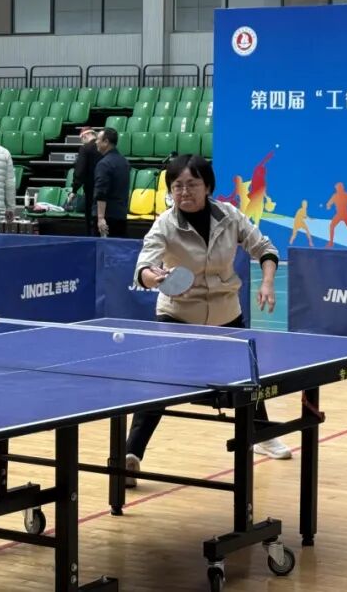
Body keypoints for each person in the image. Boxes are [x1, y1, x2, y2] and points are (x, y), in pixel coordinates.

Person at [128, 154, 289, 476]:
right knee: (160, 382)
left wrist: (267, 283)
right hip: (178, 314)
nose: (184, 192)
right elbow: (143, 267)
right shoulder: (165, 224)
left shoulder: (229, 216)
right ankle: (130, 453)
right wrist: (153, 277)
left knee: (247, 379)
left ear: (208, 187)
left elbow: (265, 248)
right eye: (177, 186)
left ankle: (261, 434)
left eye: (192, 184)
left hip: (226, 312)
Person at [93, 127, 130, 238]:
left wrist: (100, 218)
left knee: (102, 248)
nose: (96, 142)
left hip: (107, 218)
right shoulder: (124, 162)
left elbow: (101, 192)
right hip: (121, 215)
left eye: (98, 139)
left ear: (106, 142)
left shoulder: (104, 164)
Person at [68, 128, 100, 236]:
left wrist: (74, 190)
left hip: (91, 190)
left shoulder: (85, 148)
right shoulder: (104, 148)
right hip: (106, 190)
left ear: (84, 136)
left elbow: (80, 171)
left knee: (91, 221)